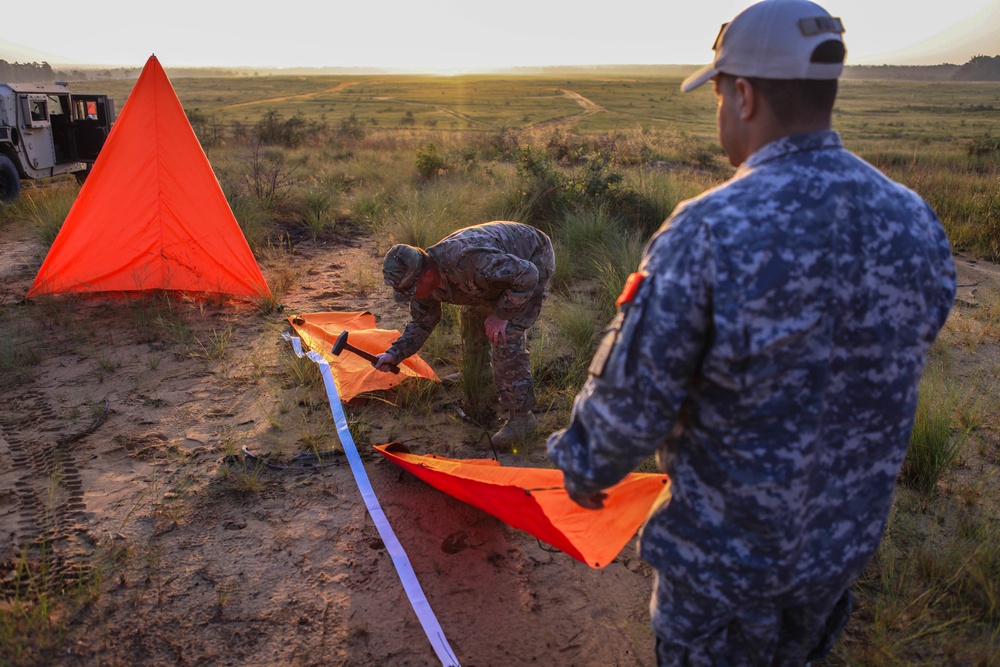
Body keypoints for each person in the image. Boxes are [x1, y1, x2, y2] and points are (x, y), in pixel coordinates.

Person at [546, 1, 956, 665]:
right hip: (837, 554)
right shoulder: (914, 220)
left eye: (715, 91)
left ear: (742, 93)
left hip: (722, 571)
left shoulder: (708, 229)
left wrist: (583, 461)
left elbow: (633, 398)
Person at [377, 221, 555, 447]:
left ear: (427, 275)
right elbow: (422, 323)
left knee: (505, 334)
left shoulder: (467, 261)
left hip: (532, 256)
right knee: (472, 316)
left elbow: (527, 274)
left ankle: (522, 419)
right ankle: (480, 373)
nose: (411, 296)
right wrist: (394, 354)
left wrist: (501, 315)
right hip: (497, 273)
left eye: (410, 290)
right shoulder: (424, 281)